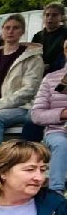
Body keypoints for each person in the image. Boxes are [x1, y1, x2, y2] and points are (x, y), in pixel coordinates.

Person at [0, 14, 44, 150]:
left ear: (22, 31)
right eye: (7, 28)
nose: (10, 31)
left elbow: (29, 90)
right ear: (2, 30)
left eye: (15, 28)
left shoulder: (33, 57)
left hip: (23, 107)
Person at [28, 65, 67, 193]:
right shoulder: (51, 78)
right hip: (58, 131)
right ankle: (56, 193)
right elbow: (36, 115)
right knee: (61, 143)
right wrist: (62, 114)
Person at [32, 2, 66, 73]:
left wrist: (49, 66)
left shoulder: (65, 34)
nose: (50, 18)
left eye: (54, 15)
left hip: (60, 75)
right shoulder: (38, 36)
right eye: (47, 15)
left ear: (62, 17)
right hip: (39, 73)